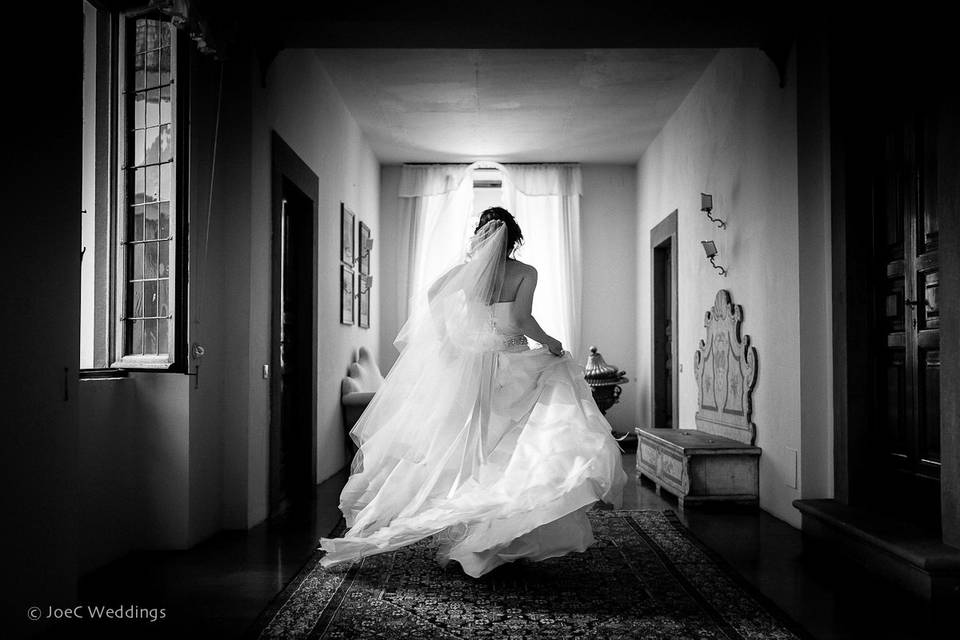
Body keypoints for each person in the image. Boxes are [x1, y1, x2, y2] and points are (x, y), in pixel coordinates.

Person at [319, 207, 627, 578]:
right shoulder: (525, 272)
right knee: (513, 445)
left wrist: (448, 338)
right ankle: (499, 533)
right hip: (511, 364)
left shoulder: (470, 273)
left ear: (482, 236)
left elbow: (435, 293)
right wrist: (551, 342)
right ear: (514, 239)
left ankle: (473, 527)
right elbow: (520, 321)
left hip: (470, 366)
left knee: (469, 446)